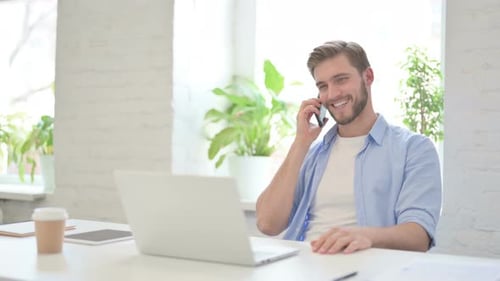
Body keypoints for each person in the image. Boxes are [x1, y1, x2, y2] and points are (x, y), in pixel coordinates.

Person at [255, 40, 442, 254]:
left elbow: (419, 237)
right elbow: (267, 224)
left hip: (368, 269)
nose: (332, 94)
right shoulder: (313, 154)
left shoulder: (413, 149)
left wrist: (364, 236)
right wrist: (300, 143)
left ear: (368, 77)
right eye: (322, 86)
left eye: (341, 80)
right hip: (302, 266)